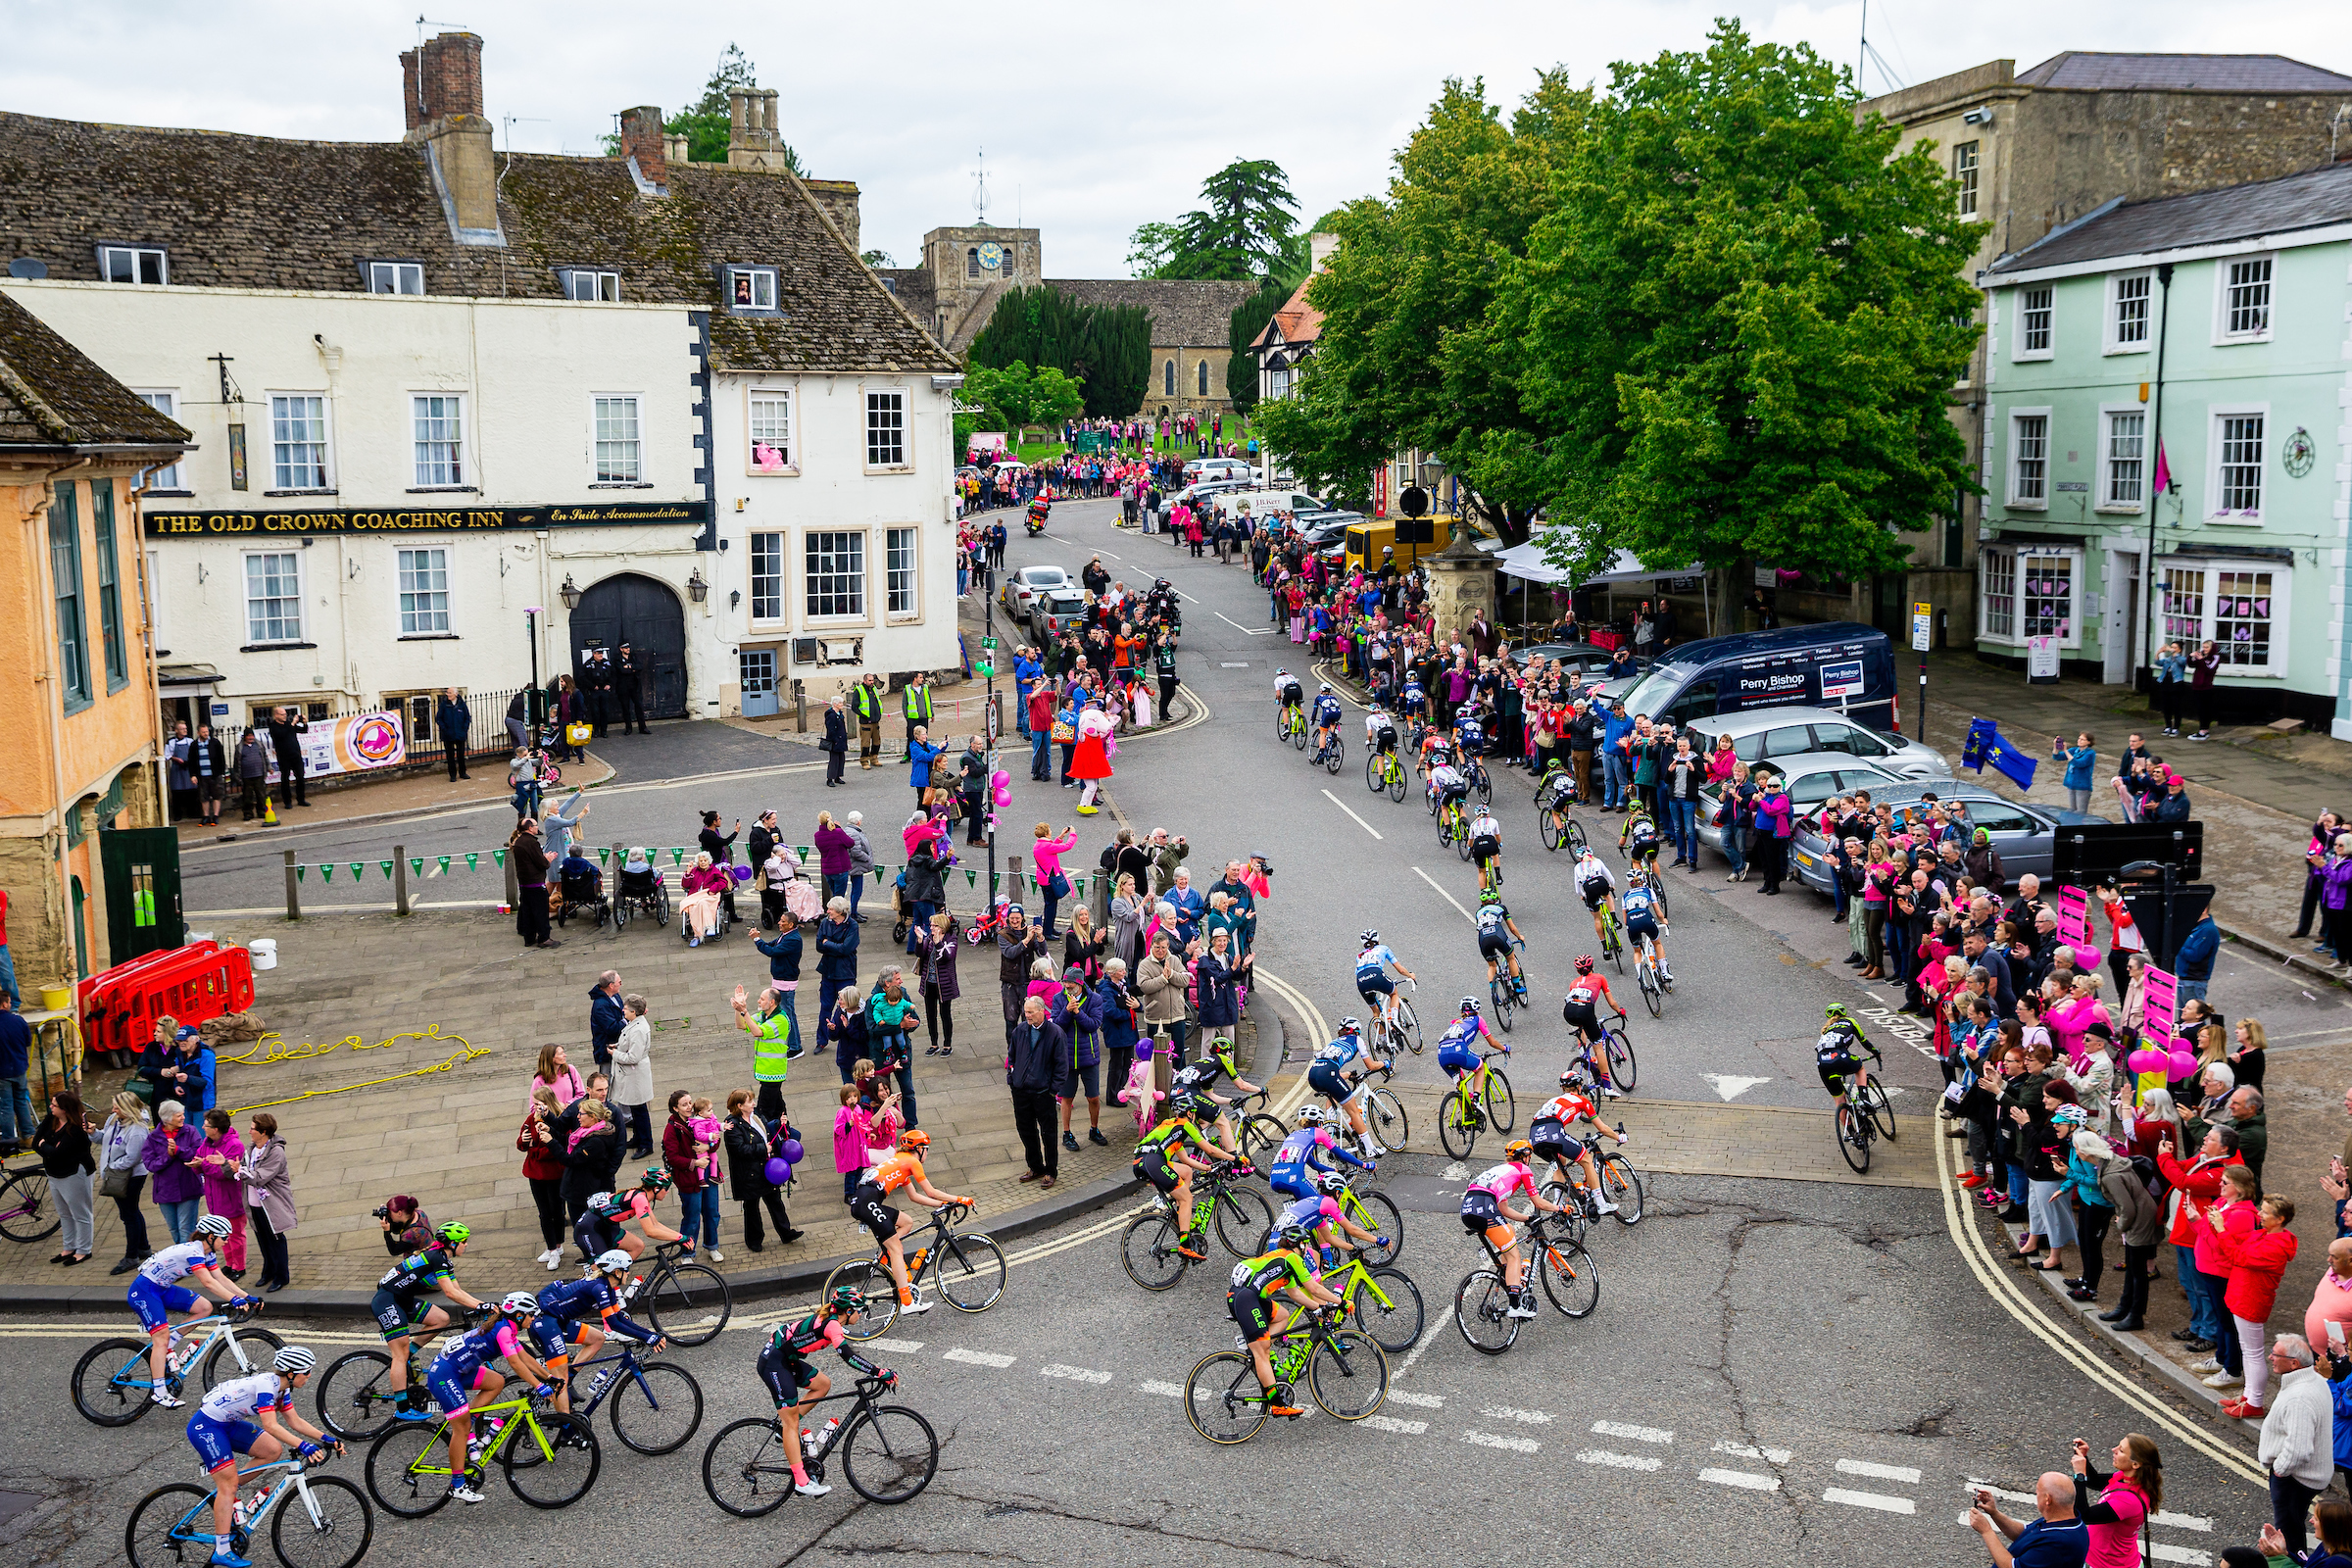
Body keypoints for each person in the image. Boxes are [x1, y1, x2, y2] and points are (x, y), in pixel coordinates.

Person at [186, 1345, 337, 1567]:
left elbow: (294, 1422)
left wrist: (327, 1439)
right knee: (228, 1486)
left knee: (272, 1450)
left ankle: (226, 1494)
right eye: (307, 1371)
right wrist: (304, 1446)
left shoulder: (283, 1389)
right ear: (291, 1373)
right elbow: (271, 1425)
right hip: (206, 1426)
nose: (309, 1376)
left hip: (227, 1423)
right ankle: (221, 1550)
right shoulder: (267, 1385)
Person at [757, 1286, 896, 1498]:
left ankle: (782, 1431)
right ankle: (801, 1481)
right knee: (791, 1423)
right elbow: (848, 1355)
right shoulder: (832, 1325)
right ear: (848, 1311)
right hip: (773, 1363)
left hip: (786, 1359)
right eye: (859, 1310)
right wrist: (879, 1372)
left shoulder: (832, 1317)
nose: (862, 1313)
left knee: (822, 1384)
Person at [427, 1293, 561, 1505]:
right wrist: (538, 1385)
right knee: (459, 1428)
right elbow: (515, 1364)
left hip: (459, 1369)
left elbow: (525, 1357)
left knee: (496, 1382)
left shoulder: (508, 1327)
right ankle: (457, 1485)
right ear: (518, 1315)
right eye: (531, 1315)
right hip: (445, 1374)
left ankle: (469, 1427)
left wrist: (549, 1376)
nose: (534, 1319)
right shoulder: (504, 1331)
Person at [848, 1130, 973, 1314]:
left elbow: (915, 1197)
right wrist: (961, 1199)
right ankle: (907, 1303)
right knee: (896, 1249)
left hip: (864, 1201)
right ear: (919, 1149)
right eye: (927, 1149)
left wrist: (945, 1204)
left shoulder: (900, 1160)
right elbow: (930, 1191)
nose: (927, 1153)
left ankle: (886, 1255)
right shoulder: (912, 1162)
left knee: (907, 1222)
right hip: (867, 1203)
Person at [129, 1214, 248, 1410]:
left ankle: (170, 1347)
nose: (227, 1241)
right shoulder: (194, 1251)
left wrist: (247, 1296)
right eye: (224, 1237)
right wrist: (233, 1299)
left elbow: (220, 1278)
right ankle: (159, 1392)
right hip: (145, 1291)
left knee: (204, 1308)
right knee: (160, 1338)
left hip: (162, 1288)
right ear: (210, 1236)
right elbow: (208, 1282)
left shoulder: (207, 1252)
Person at [1228, 1227, 1345, 1417]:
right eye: (1305, 1243)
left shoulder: (1283, 1259)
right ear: (1299, 1244)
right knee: (1263, 1352)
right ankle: (1277, 1404)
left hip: (1250, 1296)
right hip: (1245, 1298)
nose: (1307, 1247)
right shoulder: (1293, 1258)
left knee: (1282, 1316)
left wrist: (1318, 1308)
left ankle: (1258, 1349)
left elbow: (1295, 1293)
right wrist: (1340, 1302)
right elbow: (1313, 1287)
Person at [369, 1220, 481, 1418]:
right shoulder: (436, 1258)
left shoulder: (444, 1259)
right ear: (453, 1243)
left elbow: (457, 1290)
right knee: (399, 1354)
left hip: (401, 1299)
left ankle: (410, 1354)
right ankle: (403, 1409)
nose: (467, 1245)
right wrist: (481, 1307)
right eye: (464, 1241)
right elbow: (450, 1294)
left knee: (441, 1318)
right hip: (387, 1300)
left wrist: (484, 1305)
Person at [1459, 1140, 1571, 1320]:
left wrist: (1528, 1219)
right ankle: (1514, 1306)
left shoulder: (1500, 1170)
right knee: (1514, 1256)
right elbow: (1538, 1202)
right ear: (1524, 1156)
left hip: (1468, 1210)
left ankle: (1511, 1280)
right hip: (1485, 1208)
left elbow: (1503, 1210)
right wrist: (1560, 1209)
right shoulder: (1523, 1170)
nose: (1530, 1159)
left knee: (1508, 1230)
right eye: (1529, 1156)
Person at [2260, 1336, 2337, 1555]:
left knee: (2288, 1534)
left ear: (2294, 1363)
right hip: (2309, 1475)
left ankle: (2292, 1561)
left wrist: (2280, 1471)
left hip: (2296, 1478)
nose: (2270, 1357)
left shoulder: (2299, 1398)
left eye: (2276, 1354)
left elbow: (2299, 1449)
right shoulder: (2314, 1380)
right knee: (2293, 1527)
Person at [722, 1088, 800, 1251]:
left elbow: (769, 1132)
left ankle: (786, 1232)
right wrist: (763, 1148)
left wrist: (780, 1123)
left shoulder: (756, 1117)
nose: (754, 1104)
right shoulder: (733, 1125)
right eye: (750, 1102)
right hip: (748, 1173)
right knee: (752, 1208)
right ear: (739, 1106)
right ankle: (754, 1240)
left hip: (766, 1169)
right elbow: (739, 1149)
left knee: (775, 1201)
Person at [1007, 993, 1070, 1186]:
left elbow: (1062, 1065)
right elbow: (1012, 1057)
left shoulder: (1055, 1033)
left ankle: (1051, 1171)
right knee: (1026, 1131)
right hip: (1021, 1091)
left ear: (1042, 1011)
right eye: (1025, 1012)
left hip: (1043, 1092)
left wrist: (1052, 1090)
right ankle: (1035, 1167)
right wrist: (1012, 1078)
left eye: (1031, 1012)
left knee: (1048, 1133)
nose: (1027, 1016)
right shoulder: (1020, 1031)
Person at [1966, 1474, 2088, 1568]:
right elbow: (2024, 1533)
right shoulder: (2064, 1519)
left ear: (2047, 1499)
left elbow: (2011, 1566)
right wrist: (1994, 1513)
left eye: (2038, 1491)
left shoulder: (2059, 1543)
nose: (2036, 1494)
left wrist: (1986, 1531)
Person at [233, 1112, 296, 1294]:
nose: (249, 1131)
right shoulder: (251, 1149)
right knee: (262, 1240)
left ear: (264, 1132)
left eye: (252, 1129)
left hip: (271, 1206)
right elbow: (242, 1169)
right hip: (254, 1204)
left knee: (276, 1240)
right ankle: (268, 1271)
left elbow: (260, 1178)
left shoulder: (276, 1152)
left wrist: (241, 1170)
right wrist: (226, 1164)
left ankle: (281, 1276)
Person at [34, 1090, 96, 1266]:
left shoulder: (76, 1129)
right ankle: (69, 1247)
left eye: (54, 1105)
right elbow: (36, 1142)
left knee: (81, 1213)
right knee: (64, 1213)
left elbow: (59, 1153)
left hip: (74, 1173)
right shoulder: (51, 1119)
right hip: (54, 1173)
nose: (50, 1107)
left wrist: (45, 1145)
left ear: (65, 1109)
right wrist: (48, 1148)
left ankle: (84, 1250)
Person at [100, 1091, 153, 1275]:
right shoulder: (114, 1120)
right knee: (131, 1211)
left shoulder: (138, 1130)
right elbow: (105, 1139)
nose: (113, 1110)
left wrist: (111, 1167)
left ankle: (131, 1256)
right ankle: (143, 1247)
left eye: (117, 1107)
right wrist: (93, 1133)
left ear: (127, 1109)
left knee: (129, 1215)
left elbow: (133, 1158)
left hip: (130, 1177)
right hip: (117, 1173)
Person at [1561, 956, 1627, 1099]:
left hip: (1568, 1012)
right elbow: (1611, 1002)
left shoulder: (1573, 983)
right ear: (1592, 967)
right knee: (1599, 1047)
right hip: (1585, 1011)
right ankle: (1608, 1088)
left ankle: (1583, 1053)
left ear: (1578, 971)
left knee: (1582, 1026)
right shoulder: (1600, 978)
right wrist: (1619, 1011)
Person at [609, 994, 655, 1158]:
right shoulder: (634, 1024)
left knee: (640, 1110)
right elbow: (629, 1045)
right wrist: (618, 1046)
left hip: (635, 1075)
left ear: (634, 1012)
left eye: (626, 1009)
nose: (623, 1010)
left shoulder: (638, 1029)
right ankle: (638, 1138)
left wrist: (615, 1054)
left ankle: (646, 1144)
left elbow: (633, 1057)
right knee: (636, 1110)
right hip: (632, 1075)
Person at [1620, 866, 1673, 984]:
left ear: (1630, 884)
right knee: (1657, 943)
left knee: (1637, 951)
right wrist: (1663, 920)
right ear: (1642, 880)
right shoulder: (1648, 890)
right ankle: (1664, 972)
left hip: (1632, 922)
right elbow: (1658, 913)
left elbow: (1625, 921)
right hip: (1646, 918)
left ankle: (1641, 978)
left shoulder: (1625, 896)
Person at [435, 688, 472, 782]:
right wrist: (445, 729)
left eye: (450, 693)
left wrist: (464, 729)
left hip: (460, 734)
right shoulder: (444, 704)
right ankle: (452, 775)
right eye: (447, 693)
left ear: (456, 694)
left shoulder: (461, 704)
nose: (448, 694)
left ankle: (462, 773)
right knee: (450, 756)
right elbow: (439, 718)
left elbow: (467, 717)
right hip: (448, 734)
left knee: (461, 755)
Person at [821, 695, 849, 787]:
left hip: (841, 740)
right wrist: (835, 740)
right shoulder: (831, 715)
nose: (842, 704)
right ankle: (830, 778)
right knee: (834, 760)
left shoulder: (839, 714)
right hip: (835, 741)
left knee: (841, 759)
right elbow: (831, 729)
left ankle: (837, 776)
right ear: (835, 704)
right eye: (840, 703)